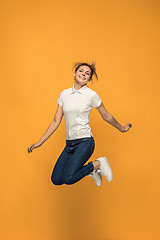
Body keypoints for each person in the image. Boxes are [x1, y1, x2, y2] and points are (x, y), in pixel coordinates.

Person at [28, 61, 132, 187]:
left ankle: (98, 163)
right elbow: (56, 121)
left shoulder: (91, 95)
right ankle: (92, 170)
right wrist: (41, 141)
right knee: (56, 179)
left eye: (87, 73)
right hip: (69, 144)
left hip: (85, 142)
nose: (83, 74)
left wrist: (121, 128)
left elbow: (106, 115)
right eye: (81, 71)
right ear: (75, 73)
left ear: (89, 79)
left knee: (69, 178)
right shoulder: (64, 94)